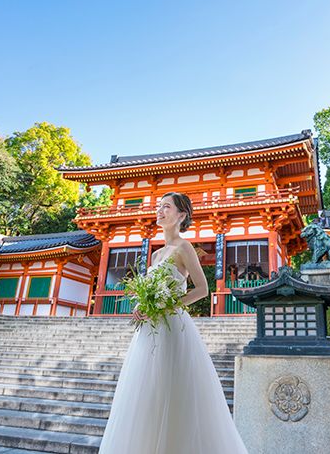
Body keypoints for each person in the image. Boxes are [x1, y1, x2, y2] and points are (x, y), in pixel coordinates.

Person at [98, 192, 249, 454]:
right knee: (146, 392)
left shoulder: (184, 247)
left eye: (166, 207)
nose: (160, 210)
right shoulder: (156, 255)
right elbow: (148, 289)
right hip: (149, 331)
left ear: (181, 215)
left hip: (173, 327)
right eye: (159, 206)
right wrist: (142, 306)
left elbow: (202, 289)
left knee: (173, 389)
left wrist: (167, 305)